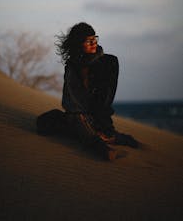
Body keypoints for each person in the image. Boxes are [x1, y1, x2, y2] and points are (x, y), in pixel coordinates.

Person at [37, 22, 140, 161]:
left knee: (91, 131)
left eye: (95, 39)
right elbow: (72, 97)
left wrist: (98, 118)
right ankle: (104, 142)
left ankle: (106, 145)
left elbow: (106, 97)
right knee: (46, 121)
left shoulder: (108, 62)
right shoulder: (72, 65)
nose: (94, 43)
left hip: (98, 116)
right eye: (88, 41)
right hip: (77, 115)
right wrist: (76, 115)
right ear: (78, 43)